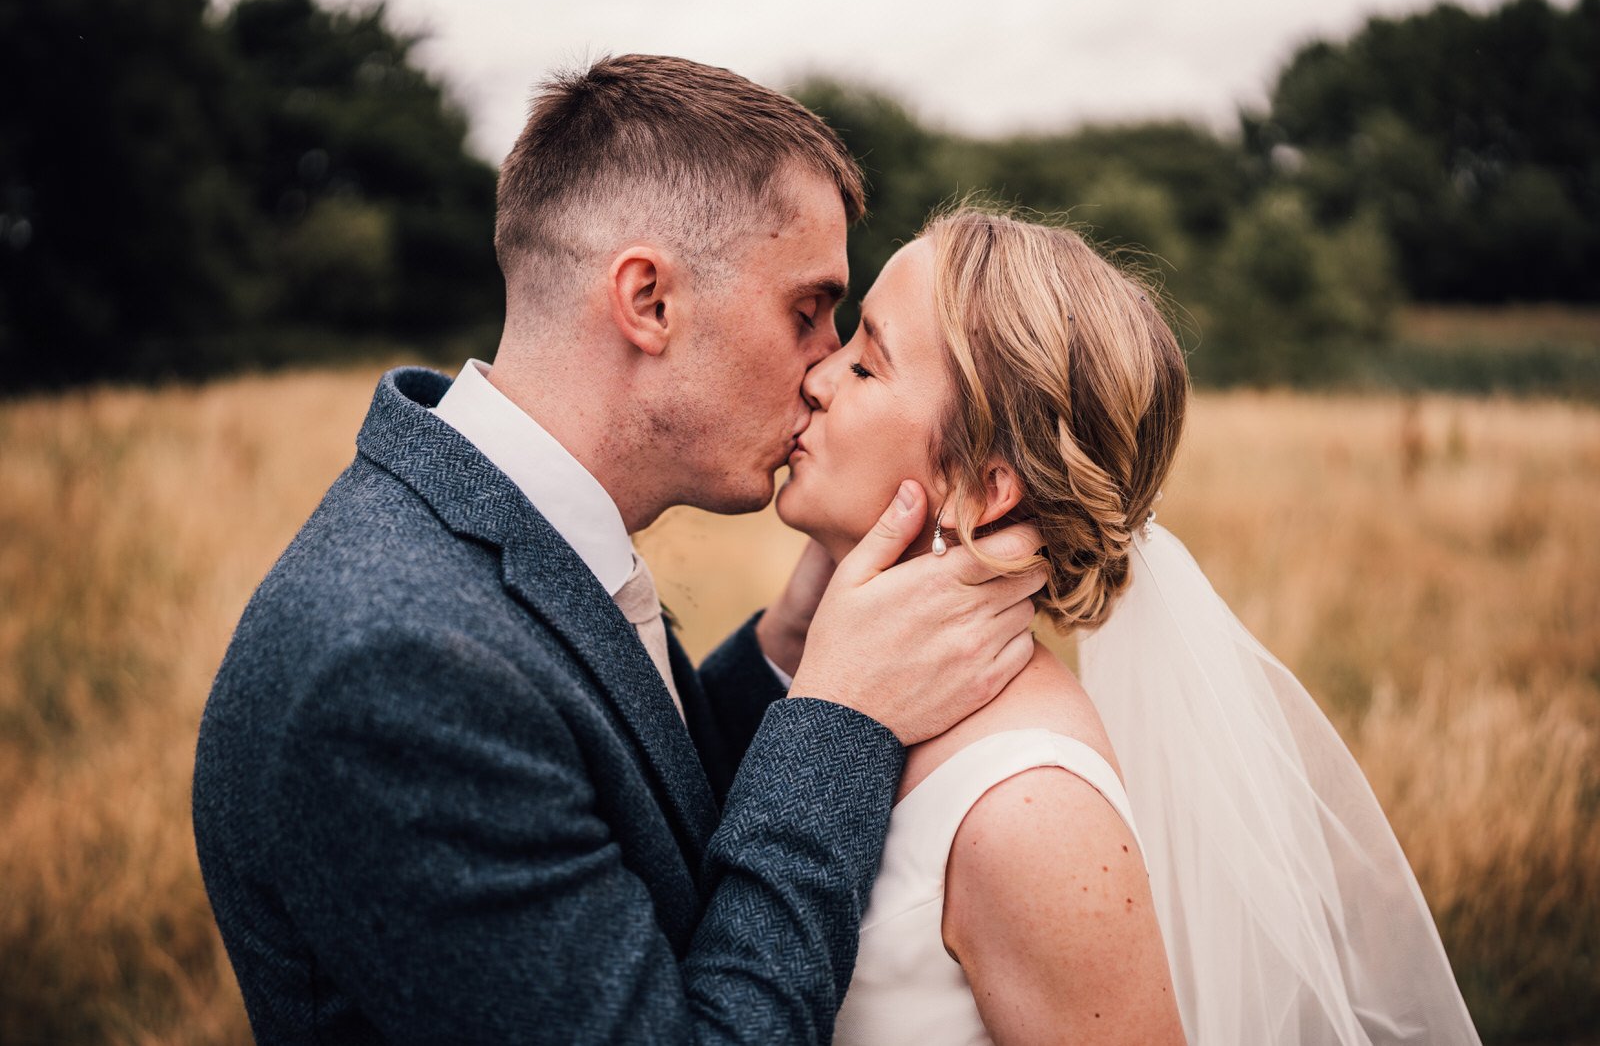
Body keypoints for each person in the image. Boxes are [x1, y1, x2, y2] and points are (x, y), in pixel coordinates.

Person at [190, 57, 1044, 1044]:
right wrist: (837, 718)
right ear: (649, 302)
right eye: (805, 311)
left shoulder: (487, 527)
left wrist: (787, 646)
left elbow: (625, 797)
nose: (823, 371)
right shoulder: (395, 672)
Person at [778, 206, 1483, 1044]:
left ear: (984, 486)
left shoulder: (1029, 807)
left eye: (866, 365)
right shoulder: (846, 687)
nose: (818, 376)